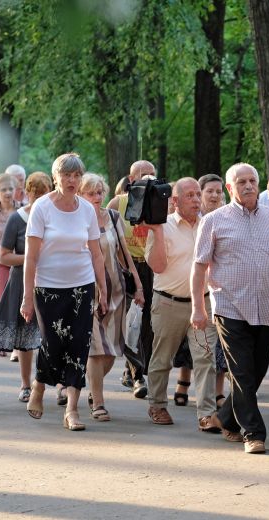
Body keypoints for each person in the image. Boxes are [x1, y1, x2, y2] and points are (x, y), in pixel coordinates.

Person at [192, 163, 269, 454]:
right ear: (229, 188)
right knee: (242, 372)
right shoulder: (213, 221)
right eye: (241, 182)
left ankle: (227, 418)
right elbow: (199, 268)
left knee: (256, 371)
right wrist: (198, 307)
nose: (248, 186)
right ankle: (254, 433)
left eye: (252, 180)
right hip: (229, 306)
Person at [21, 153, 108, 431]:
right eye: (66, 175)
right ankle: (38, 384)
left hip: (82, 286)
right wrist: (26, 296)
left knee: (79, 346)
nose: (72, 180)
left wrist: (102, 289)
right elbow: (30, 257)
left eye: (76, 176)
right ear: (55, 177)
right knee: (52, 342)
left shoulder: (86, 210)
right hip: (48, 287)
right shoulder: (42, 208)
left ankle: (72, 409)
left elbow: (96, 254)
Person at [144, 178, 218, 432]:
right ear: (174, 201)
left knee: (205, 358)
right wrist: (157, 232)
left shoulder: (208, 224)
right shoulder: (162, 226)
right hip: (168, 303)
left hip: (203, 303)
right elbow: (157, 267)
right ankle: (157, 404)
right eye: (190, 195)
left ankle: (207, 413)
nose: (197, 200)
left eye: (198, 194)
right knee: (162, 358)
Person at [79, 173, 144, 421]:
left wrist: (138, 286)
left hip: (116, 289)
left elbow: (125, 255)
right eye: (90, 193)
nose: (96, 198)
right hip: (89, 290)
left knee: (111, 351)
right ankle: (99, 402)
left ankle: (92, 386)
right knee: (97, 348)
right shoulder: (77, 220)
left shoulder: (113, 216)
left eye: (99, 192)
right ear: (81, 195)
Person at [0, 172, 51, 400]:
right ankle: (26, 384)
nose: (38, 198)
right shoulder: (17, 219)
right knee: (25, 336)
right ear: (26, 193)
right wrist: (31, 257)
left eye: (43, 193)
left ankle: (57, 384)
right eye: (34, 193)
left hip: (51, 281)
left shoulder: (55, 216)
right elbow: (4, 256)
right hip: (21, 281)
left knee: (51, 335)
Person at [172, 173, 228, 409]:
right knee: (191, 341)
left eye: (218, 191)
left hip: (217, 289)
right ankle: (183, 382)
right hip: (191, 288)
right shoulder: (194, 219)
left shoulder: (225, 217)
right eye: (209, 191)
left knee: (216, 347)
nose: (214, 195)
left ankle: (217, 392)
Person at [108, 160, 157, 399]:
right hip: (125, 267)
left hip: (152, 268)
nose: (148, 178)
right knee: (129, 321)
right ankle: (137, 376)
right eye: (143, 175)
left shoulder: (160, 204)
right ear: (131, 180)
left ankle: (134, 370)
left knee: (147, 322)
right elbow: (107, 235)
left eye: (152, 174)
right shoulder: (119, 203)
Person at [0, 173, 21, 300]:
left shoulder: (22, 210)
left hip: (19, 259)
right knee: (4, 297)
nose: (8, 192)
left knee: (20, 298)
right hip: (0, 262)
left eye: (11, 189)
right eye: (3, 189)